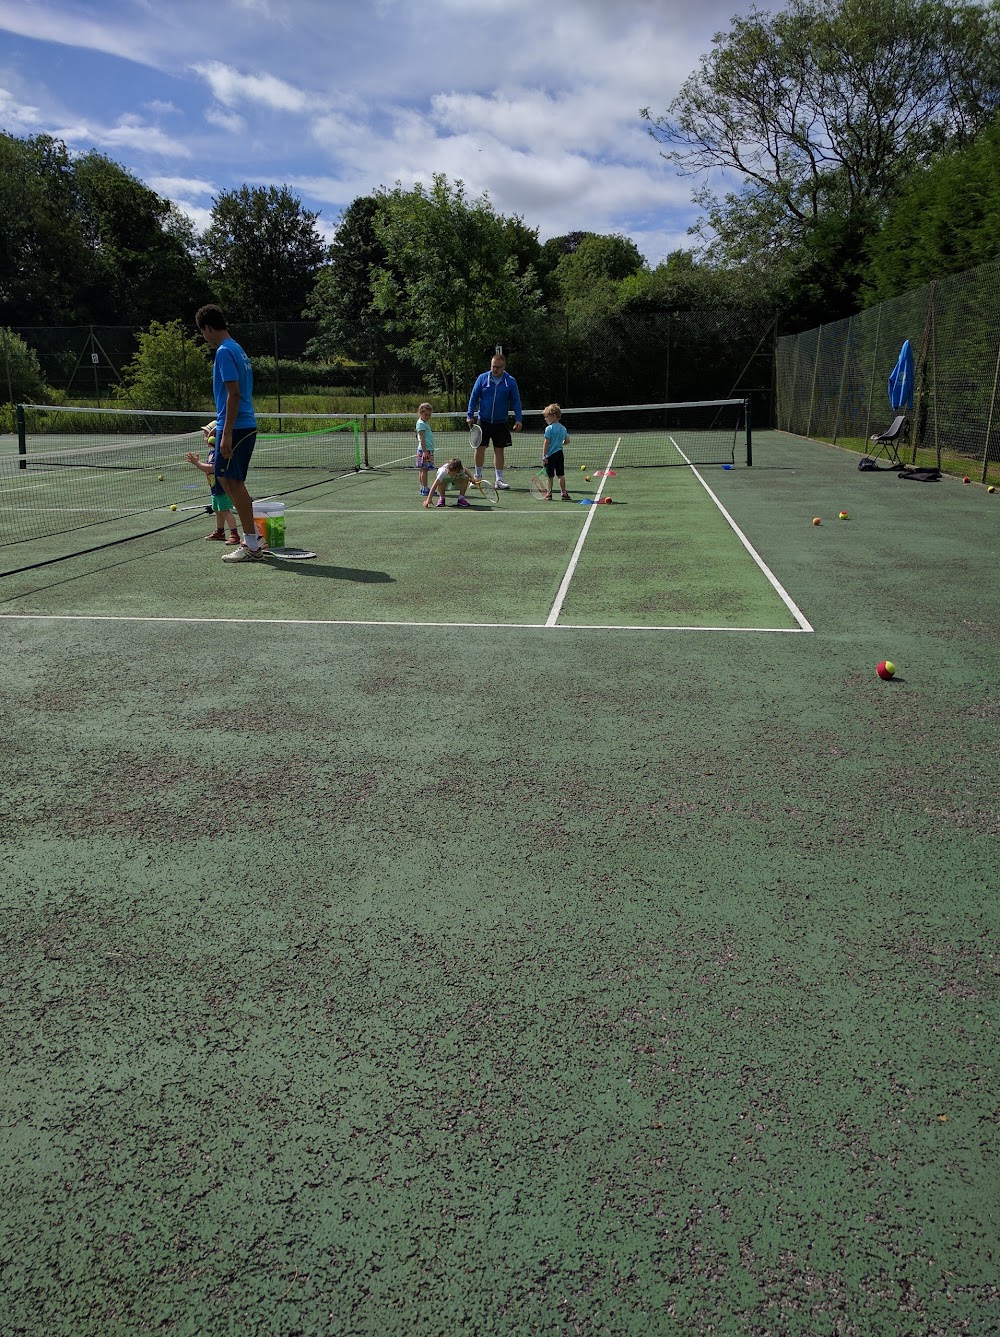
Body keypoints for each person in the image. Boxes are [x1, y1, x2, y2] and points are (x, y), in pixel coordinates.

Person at [194, 304, 264, 563]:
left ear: (208, 328)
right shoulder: (237, 348)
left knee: (232, 483)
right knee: (228, 481)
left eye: (203, 332)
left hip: (237, 427)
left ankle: (252, 545)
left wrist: (225, 433)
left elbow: (233, 394)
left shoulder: (224, 352)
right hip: (240, 424)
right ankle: (254, 537)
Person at [466, 353, 522, 490]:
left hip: (500, 422)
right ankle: (477, 478)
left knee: (499, 451)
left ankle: (499, 480)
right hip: (483, 421)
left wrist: (519, 418)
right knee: (479, 449)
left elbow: (516, 401)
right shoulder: (482, 378)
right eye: (493, 366)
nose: (494, 369)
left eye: (498, 367)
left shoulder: (510, 381)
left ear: (504, 367)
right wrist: (469, 415)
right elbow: (474, 397)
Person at [186, 424, 241, 544]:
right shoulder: (212, 452)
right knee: (217, 510)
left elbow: (211, 468)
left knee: (225, 511)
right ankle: (220, 531)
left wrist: (197, 463)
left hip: (222, 488)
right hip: (215, 488)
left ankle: (234, 534)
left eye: (207, 435)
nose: (205, 438)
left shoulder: (219, 453)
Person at [541, 403, 571, 500]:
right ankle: (564, 493)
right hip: (559, 454)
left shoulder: (549, 429)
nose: (545, 419)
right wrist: (560, 443)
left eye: (547, 416)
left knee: (550, 476)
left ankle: (549, 493)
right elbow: (567, 441)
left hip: (550, 456)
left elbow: (546, 443)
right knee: (561, 475)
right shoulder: (563, 428)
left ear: (553, 416)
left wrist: (544, 456)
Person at [415, 402, 435, 496]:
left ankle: (423, 488)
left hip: (427, 450)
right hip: (425, 450)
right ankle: (425, 489)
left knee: (423, 470)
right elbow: (422, 438)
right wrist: (425, 451)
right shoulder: (421, 424)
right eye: (426, 414)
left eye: (429, 415)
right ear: (420, 413)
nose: (428, 416)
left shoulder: (424, 423)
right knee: (424, 470)